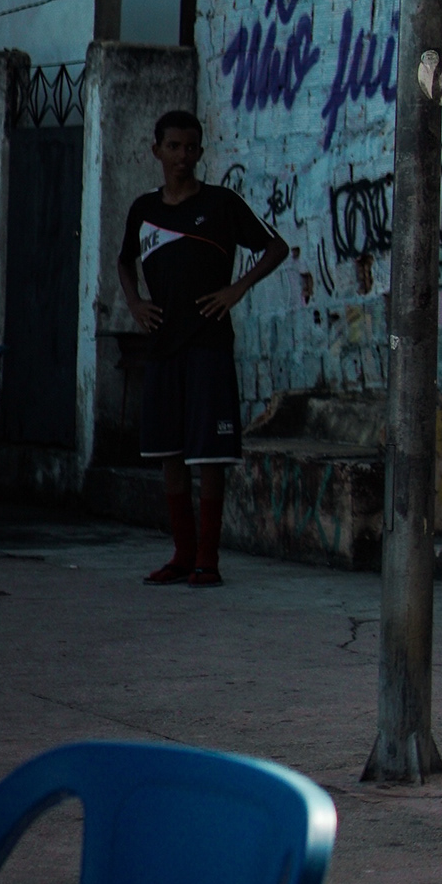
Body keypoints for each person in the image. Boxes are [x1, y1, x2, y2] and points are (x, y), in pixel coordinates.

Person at [117, 110, 288, 588]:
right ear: (157, 151)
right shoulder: (144, 211)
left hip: (209, 344)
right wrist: (134, 304)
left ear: (200, 152)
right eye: (173, 146)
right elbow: (124, 261)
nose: (182, 156)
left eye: (191, 147)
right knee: (171, 453)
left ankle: (207, 561)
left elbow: (276, 247)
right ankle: (181, 554)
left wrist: (237, 289)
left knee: (209, 454)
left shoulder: (220, 204)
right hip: (164, 345)